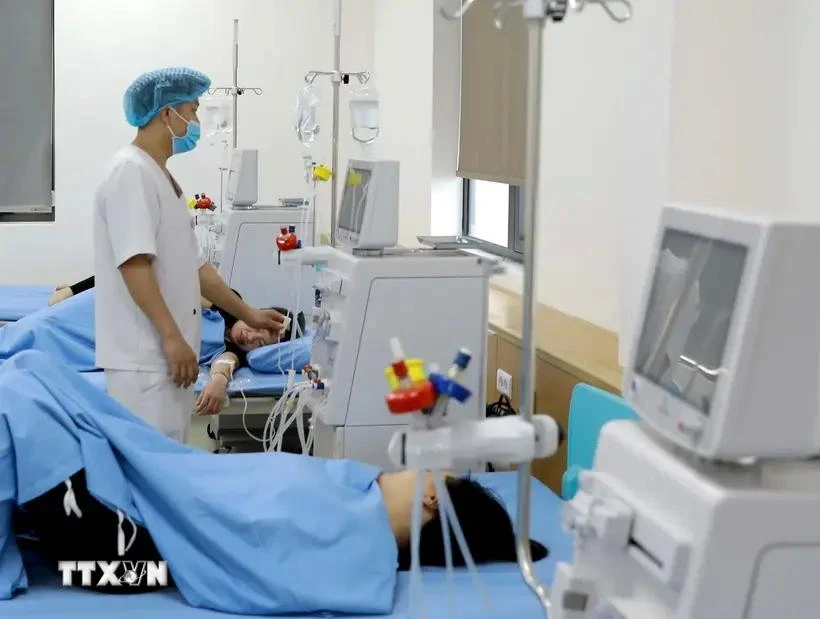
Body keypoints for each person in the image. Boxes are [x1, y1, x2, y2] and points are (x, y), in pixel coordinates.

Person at [93, 67, 285, 443]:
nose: (196, 121)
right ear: (167, 113)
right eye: (193, 110)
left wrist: (250, 314)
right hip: (144, 360)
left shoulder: (161, 177)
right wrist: (171, 337)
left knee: (169, 466)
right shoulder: (130, 173)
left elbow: (198, 270)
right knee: (152, 471)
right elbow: (134, 265)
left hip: (164, 361)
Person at [18, 466, 548, 594]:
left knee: (27, 400)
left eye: (434, 469)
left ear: (433, 497)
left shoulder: (355, 550)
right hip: (138, 506)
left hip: (128, 550)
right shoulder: (350, 493)